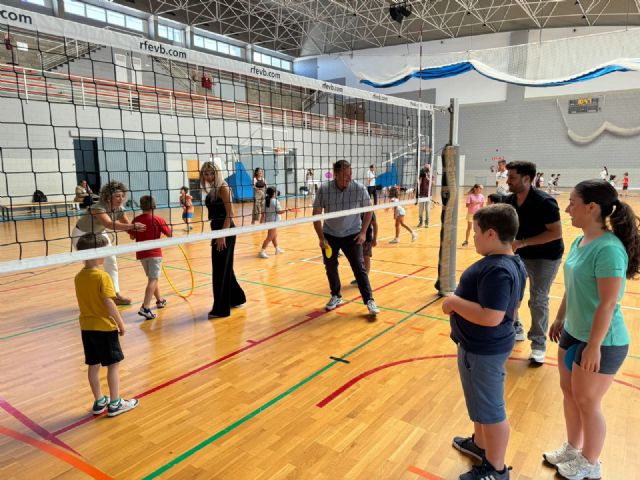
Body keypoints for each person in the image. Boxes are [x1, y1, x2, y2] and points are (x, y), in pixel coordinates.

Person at [545, 179, 637, 480]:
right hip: (573, 330)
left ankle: (591, 463)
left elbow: (608, 304)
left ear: (591, 207)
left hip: (603, 340)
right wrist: (560, 317)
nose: (568, 208)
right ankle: (573, 448)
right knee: (569, 393)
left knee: (588, 401)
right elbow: (573, 287)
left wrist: (594, 346)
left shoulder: (609, 250)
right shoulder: (578, 240)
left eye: (573, 202)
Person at [443, 204, 527, 480]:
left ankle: (496, 469)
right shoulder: (512, 261)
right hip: (476, 347)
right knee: (479, 403)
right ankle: (480, 446)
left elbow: (492, 317)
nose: (474, 236)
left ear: (491, 234)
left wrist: (453, 302)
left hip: (485, 350)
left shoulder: (497, 269)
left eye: (477, 232)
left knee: (491, 410)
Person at [74, 233, 139, 417]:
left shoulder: (78, 277)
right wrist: (121, 323)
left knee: (93, 366)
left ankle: (99, 400)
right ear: (97, 253)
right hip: (104, 327)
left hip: (86, 328)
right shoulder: (103, 277)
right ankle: (115, 403)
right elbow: (109, 303)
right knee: (113, 366)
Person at [505, 161, 564, 364]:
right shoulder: (510, 201)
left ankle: (538, 344)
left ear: (527, 179)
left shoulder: (544, 202)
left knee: (538, 299)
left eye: (512, 177)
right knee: (512, 293)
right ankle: (516, 328)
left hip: (546, 256)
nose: (507, 181)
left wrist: (522, 243)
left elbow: (555, 233)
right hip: (521, 254)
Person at [312, 159, 379, 316]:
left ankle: (369, 300)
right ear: (335, 174)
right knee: (330, 267)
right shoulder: (324, 189)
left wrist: (363, 232)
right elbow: (315, 215)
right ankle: (336, 295)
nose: (349, 178)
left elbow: (369, 210)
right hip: (330, 235)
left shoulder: (358, 188)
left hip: (353, 235)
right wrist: (321, 238)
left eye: (350, 174)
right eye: (345, 175)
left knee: (359, 268)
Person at [72, 180, 146, 306]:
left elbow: (126, 224)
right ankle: (92, 297)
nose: (121, 199)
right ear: (107, 197)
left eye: (122, 196)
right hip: (82, 234)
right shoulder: (98, 208)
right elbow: (109, 224)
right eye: (117, 196)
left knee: (111, 261)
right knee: (92, 266)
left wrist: (133, 233)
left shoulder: (119, 209)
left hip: (99, 233)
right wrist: (132, 227)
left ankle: (115, 295)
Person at [202, 161, 246, 318]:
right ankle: (236, 298)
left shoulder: (223, 187)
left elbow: (230, 214)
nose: (208, 176)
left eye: (211, 173)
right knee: (225, 266)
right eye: (206, 174)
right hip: (217, 230)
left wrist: (222, 235)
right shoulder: (213, 189)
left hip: (225, 230)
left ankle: (221, 309)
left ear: (217, 173)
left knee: (220, 269)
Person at [129, 195, 172, 320]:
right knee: (153, 279)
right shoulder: (158, 219)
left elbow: (132, 236)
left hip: (142, 254)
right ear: (154, 206)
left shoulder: (136, 220)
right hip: (154, 254)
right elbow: (169, 234)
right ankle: (145, 307)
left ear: (141, 206)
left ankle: (159, 301)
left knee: (152, 278)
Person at [258, 187, 285, 258]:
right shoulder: (275, 201)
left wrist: (261, 220)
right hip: (274, 221)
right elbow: (279, 212)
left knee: (274, 236)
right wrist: (287, 210)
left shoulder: (265, 201)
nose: (277, 193)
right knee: (270, 237)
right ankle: (262, 251)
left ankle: (277, 249)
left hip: (268, 221)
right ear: (273, 193)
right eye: (276, 192)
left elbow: (263, 212)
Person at [351, 212, 377, 285]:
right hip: (355, 238)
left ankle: (365, 279)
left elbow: (375, 224)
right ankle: (359, 278)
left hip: (367, 238)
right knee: (357, 259)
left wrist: (374, 239)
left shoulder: (369, 210)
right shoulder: (355, 209)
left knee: (366, 257)